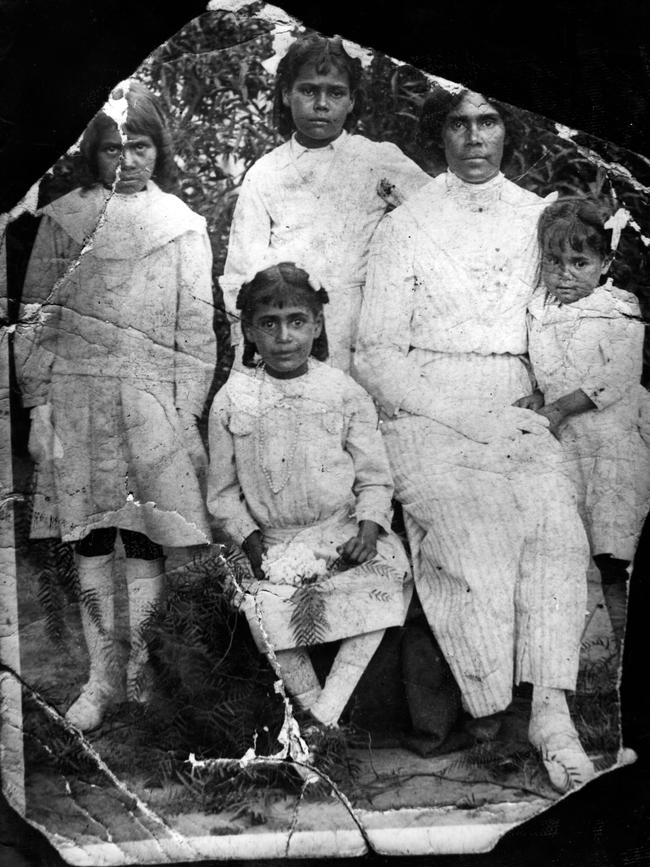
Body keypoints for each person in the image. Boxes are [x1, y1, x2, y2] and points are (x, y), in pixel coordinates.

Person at [354, 87, 595, 792]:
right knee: (467, 523)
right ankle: (490, 704)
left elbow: (562, 319)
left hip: (517, 401)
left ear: (505, 132)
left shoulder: (537, 217)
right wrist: (458, 414)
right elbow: (375, 352)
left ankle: (552, 716)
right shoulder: (408, 225)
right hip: (425, 408)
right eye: (458, 124)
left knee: (555, 522)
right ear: (442, 137)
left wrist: (546, 389)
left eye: (487, 121)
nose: (473, 137)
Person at [15, 80, 216, 731]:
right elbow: (35, 319)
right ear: (91, 153)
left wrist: (185, 414)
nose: (127, 160)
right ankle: (101, 680)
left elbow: (198, 331)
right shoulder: (64, 219)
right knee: (93, 535)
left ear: (159, 148)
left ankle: (142, 679)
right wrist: (41, 408)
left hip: (154, 400)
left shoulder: (182, 226)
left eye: (140, 145)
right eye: (112, 149)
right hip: (81, 403)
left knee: (147, 536)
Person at [207, 262, 410, 731]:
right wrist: (252, 542)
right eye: (270, 324)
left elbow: (374, 476)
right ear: (250, 331)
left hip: (338, 532)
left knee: (387, 581)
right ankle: (314, 709)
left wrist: (368, 528)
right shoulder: (233, 399)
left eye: (297, 321)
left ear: (316, 326)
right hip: (270, 542)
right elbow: (221, 493)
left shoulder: (341, 391)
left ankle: (324, 717)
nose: (284, 337)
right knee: (264, 611)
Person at [220, 33, 430, 372]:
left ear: (351, 100)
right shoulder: (267, 172)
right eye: (308, 90)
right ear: (287, 94)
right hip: (289, 325)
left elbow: (440, 217)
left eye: (335, 92)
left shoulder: (376, 159)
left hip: (361, 323)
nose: (321, 103)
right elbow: (242, 269)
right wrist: (251, 340)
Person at [520, 198, 650, 650]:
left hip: (611, 443)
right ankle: (572, 649)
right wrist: (539, 395)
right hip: (568, 448)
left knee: (614, 550)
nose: (565, 274)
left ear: (605, 262)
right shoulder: (541, 309)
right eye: (554, 262)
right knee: (567, 545)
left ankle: (624, 649)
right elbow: (547, 370)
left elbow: (614, 378)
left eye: (580, 262)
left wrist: (558, 409)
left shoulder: (617, 309)